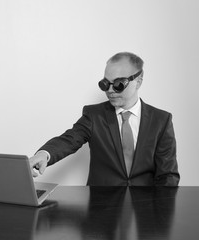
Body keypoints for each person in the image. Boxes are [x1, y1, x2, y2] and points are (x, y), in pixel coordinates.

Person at [29, 52, 180, 186]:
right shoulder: (94, 115)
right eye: (105, 84)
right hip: (101, 207)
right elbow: (69, 139)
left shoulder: (161, 120)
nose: (110, 90)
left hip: (145, 209)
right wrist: (44, 154)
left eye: (119, 84)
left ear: (138, 81)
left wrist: (159, 210)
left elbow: (167, 175)